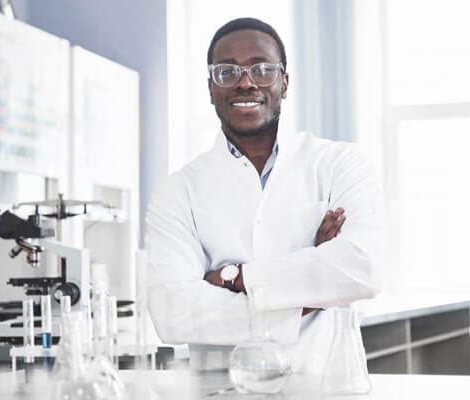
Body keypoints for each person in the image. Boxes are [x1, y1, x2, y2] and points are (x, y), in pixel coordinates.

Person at [145, 17, 382, 373]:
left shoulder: (340, 164)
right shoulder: (177, 191)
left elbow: (362, 270)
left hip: (326, 383)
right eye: (227, 72)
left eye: (262, 69)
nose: (245, 82)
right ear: (211, 87)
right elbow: (173, 313)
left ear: (284, 83)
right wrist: (314, 280)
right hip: (221, 390)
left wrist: (235, 279)